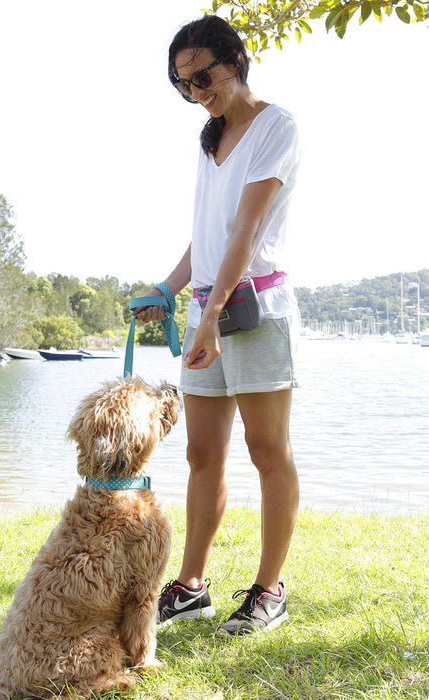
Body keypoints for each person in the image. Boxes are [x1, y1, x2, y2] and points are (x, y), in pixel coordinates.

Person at [133, 15, 301, 636]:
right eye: (183, 85)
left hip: (254, 310)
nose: (195, 91)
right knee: (202, 453)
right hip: (207, 309)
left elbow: (245, 232)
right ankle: (191, 587)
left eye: (201, 76)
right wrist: (167, 289)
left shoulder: (275, 126)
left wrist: (208, 318)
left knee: (267, 450)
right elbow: (207, 235)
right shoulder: (210, 140)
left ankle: (269, 591)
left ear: (235, 60)